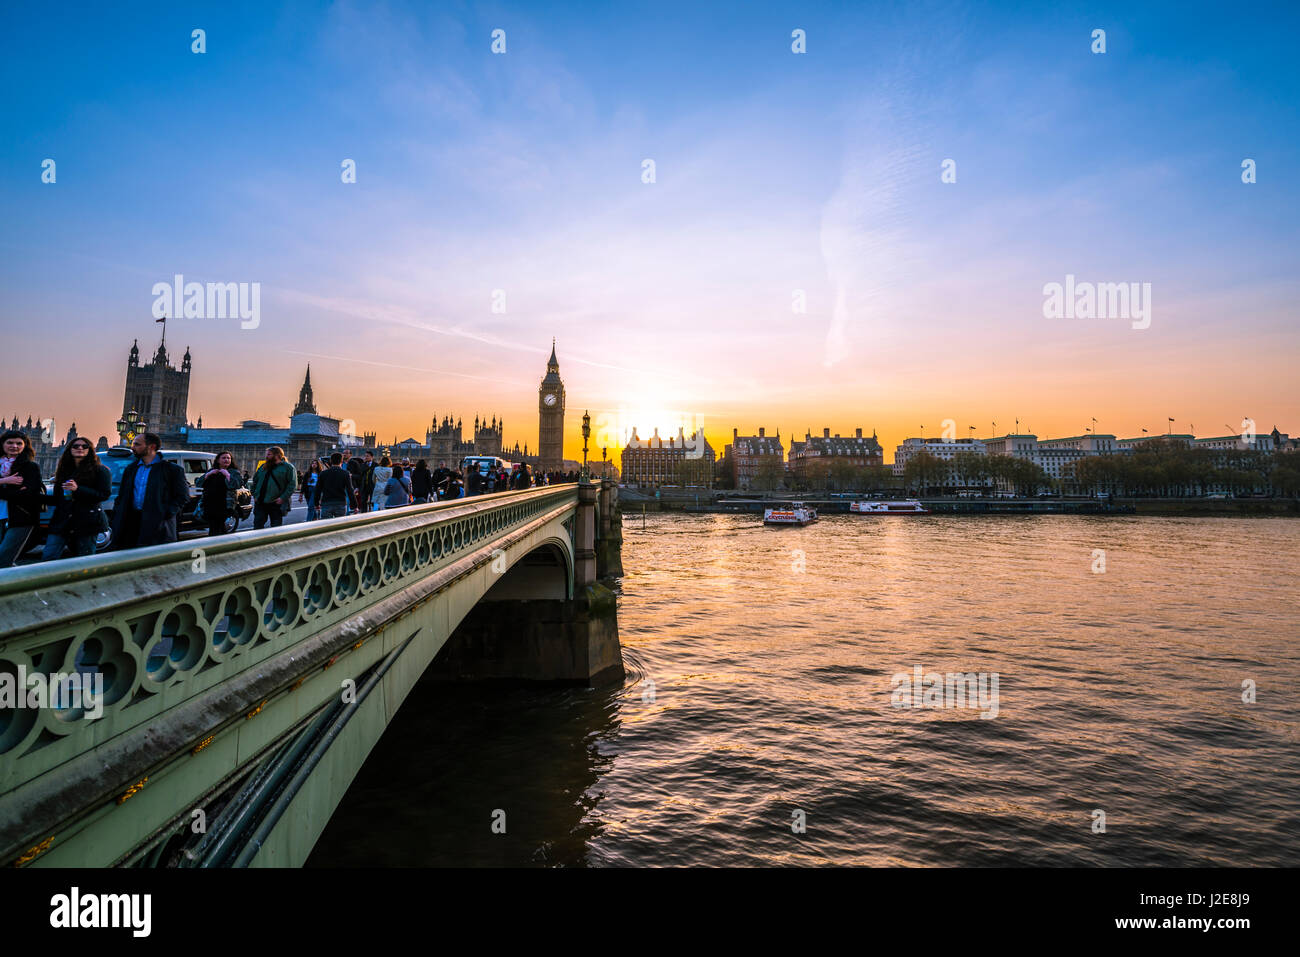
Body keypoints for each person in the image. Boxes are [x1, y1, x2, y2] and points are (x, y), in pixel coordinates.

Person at [110, 432, 189, 549]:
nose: (133, 448)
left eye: (137, 444)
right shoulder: (131, 469)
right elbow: (122, 496)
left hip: (157, 525)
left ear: (151, 447)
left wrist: (165, 513)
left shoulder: (172, 470)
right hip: (131, 523)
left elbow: (183, 496)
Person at [42, 438, 112, 559]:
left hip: (86, 522)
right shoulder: (63, 471)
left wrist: (78, 489)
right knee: (48, 556)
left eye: (84, 446)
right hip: (62, 521)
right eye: (76, 446)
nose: (80, 448)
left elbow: (104, 495)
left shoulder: (101, 470)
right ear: (69, 449)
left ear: (90, 450)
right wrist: (34, 496)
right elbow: (58, 499)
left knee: (84, 559)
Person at [0, 429, 45, 566]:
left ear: (25, 446)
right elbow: (18, 493)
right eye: (10, 443)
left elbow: (28, 495)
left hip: (21, 516)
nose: (14, 446)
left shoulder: (30, 467)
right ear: (2, 444)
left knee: (4, 556)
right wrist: (4, 481)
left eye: (19, 443)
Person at [197, 451, 244, 537]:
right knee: (214, 527)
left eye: (228, 458)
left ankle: (217, 545)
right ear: (218, 460)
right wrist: (208, 474)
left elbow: (236, 485)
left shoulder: (234, 472)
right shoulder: (212, 470)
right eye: (224, 458)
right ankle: (217, 544)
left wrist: (227, 475)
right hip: (210, 504)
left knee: (219, 528)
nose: (226, 460)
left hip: (224, 504)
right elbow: (199, 483)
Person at [251, 446, 297, 529]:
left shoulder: (288, 467)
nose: (266, 456)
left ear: (277, 455)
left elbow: (292, 485)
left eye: (269, 454)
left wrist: (282, 498)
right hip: (260, 502)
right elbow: (255, 481)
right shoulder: (263, 467)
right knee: (257, 526)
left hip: (276, 502)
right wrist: (254, 495)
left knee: (276, 528)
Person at [315, 453, 354, 519]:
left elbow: (318, 489)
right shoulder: (345, 473)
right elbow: (350, 490)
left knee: (326, 525)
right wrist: (354, 505)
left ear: (331, 461)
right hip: (340, 502)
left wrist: (316, 503)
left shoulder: (323, 473)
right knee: (340, 525)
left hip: (326, 503)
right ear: (341, 461)